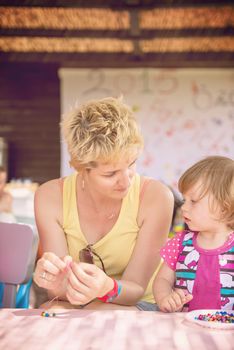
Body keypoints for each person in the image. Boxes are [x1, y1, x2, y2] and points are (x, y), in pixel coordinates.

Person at [33, 97, 174, 311]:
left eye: (131, 164)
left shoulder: (156, 197)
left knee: (98, 311)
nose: (126, 181)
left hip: (140, 303)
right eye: (110, 174)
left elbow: (136, 289)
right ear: (81, 168)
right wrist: (53, 281)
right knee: (51, 311)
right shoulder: (50, 197)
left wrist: (105, 287)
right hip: (80, 304)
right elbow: (61, 294)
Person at [153, 156, 234, 312]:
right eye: (184, 200)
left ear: (224, 207)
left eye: (194, 201)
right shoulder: (180, 242)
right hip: (183, 325)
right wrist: (165, 298)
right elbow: (162, 280)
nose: (184, 207)